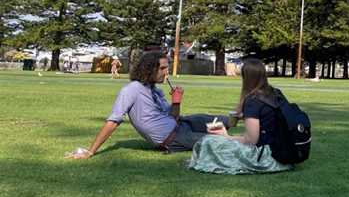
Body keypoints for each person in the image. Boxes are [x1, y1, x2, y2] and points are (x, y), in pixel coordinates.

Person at [68, 51, 230, 159]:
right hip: (176, 138)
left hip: (182, 123)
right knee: (221, 142)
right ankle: (252, 140)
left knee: (223, 120)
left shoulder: (155, 90)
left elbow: (173, 116)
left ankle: (250, 120)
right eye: (163, 68)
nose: (167, 72)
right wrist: (91, 151)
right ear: (149, 69)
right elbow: (113, 121)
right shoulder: (132, 90)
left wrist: (176, 102)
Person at [188, 58, 293, 174]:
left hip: (266, 157)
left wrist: (226, 136)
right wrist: (245, 115)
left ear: (245, 77)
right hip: (286, 151)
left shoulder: (253, 100)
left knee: (207, 141)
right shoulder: (276, 93)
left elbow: (251, 140)